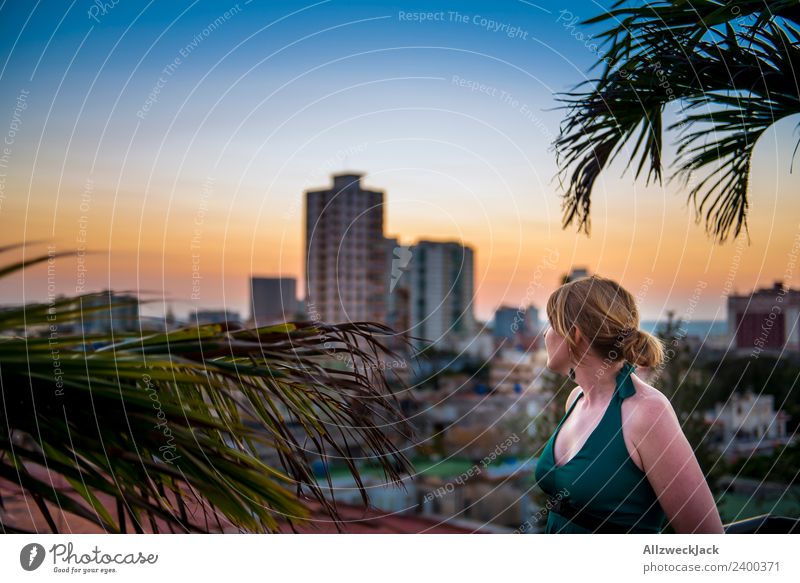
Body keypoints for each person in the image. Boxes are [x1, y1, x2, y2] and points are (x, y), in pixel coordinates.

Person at [534, 274, 724, 533]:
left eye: (551, 323)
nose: (545, 333)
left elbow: (706, 535)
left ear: (575, 334)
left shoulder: (647, 412)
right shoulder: (575, 400)